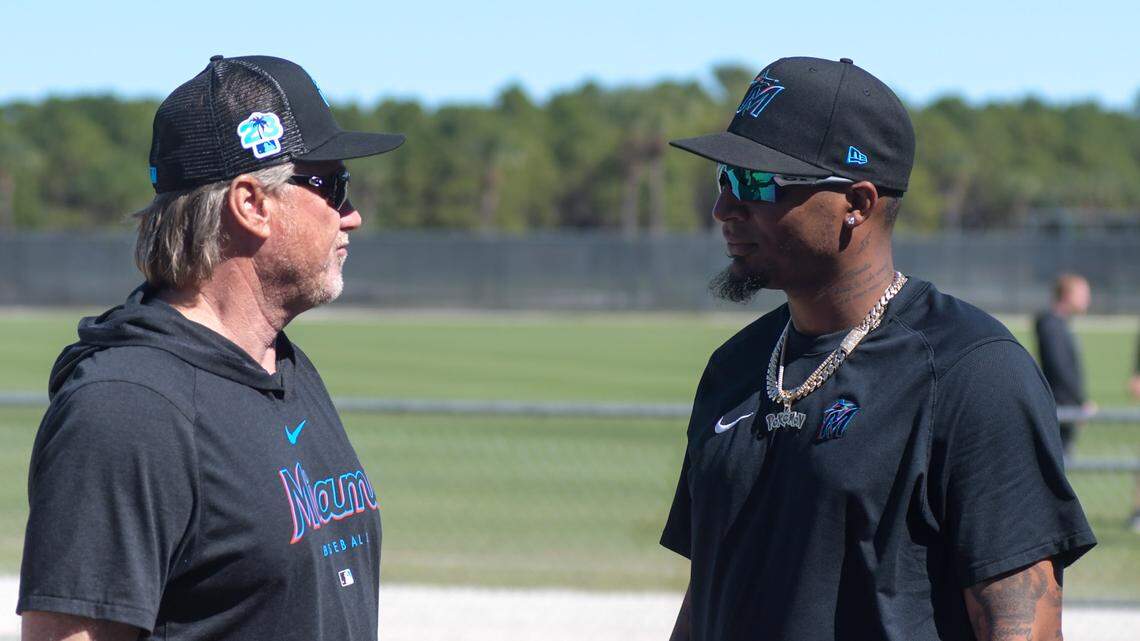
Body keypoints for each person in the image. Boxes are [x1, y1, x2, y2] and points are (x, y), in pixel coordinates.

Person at [660, 57, 1095, 641]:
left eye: (756, 183)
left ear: (857, 204)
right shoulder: (735, 368)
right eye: (725, 177)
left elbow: (1020, 626)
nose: (724, 208)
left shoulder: (972, 373)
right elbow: (708, 592)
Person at [18, 55, 404, 641]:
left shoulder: (282, 366)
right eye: (331, 185)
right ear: (251, 204)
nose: (352, 216)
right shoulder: (128, 409)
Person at [1034, 273, 1094, 456]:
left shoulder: (1059, 324)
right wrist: (1078, 402)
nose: (1088, 299)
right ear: (1068, 295)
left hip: (1065, 406)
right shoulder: (1051, 325)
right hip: (1061, 407)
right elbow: (1060, 368)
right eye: (1083, 294)